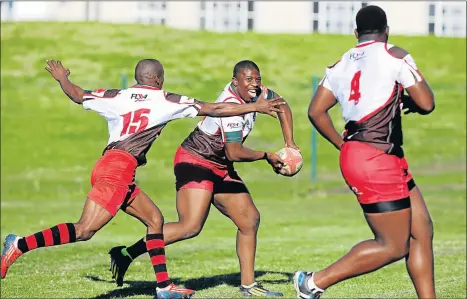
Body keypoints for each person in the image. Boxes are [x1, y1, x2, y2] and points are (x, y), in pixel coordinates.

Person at [1, 59, 286, 299]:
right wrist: (255, 107)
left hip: (111, 164)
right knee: (85, 230)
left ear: (138, 79)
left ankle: (164, 287)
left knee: (155, 220)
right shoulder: (166, 100)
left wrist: (62, 78)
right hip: (118, 170)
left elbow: (77, 94)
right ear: (159, 80)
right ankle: (19, 244)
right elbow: (216, 108)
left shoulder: (116, 96)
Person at [107, 60, 299, 297]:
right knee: (190, 226)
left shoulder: (260, 93)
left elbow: (283, 105)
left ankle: (249, 286)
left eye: (257, 79)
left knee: (249, 220)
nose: (254, 84)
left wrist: (289, 143)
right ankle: (126, 254)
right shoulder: (229, 105)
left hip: (219, 164)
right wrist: (266, 155)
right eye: (248, 80)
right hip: (195, 161)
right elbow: (234, 152)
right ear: (235, 81)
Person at [293, 5, 436, 299]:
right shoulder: (395, 55)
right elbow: (427, 103)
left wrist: (343, 145)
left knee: (421, 230)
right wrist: (408, 97)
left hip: (373, 155)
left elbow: (316, 111)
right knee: (393, 245)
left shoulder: (341, 63)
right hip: (376, 158)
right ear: (387, 31)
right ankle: (311, 283)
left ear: (356, 33)